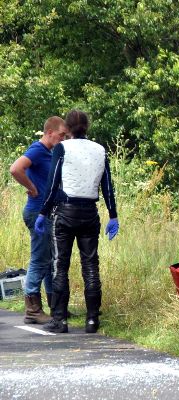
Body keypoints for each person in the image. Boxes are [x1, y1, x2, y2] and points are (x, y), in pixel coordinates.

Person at [37, 110, 119, 334]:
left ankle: (59, 320)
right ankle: (92, 319)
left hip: (65, 212)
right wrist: (113, 215)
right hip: (90, 213)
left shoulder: (63, 148)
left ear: (68, 128)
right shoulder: (100, 150)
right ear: (87, 127)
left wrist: (43, 213)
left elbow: (53, 184)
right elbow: (108, 187)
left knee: (60, 265)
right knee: (91, 266)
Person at [9, 117, 68, 324]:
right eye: (61, 135)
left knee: (49, 260)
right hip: (36, 213)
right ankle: (32, 310)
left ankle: (55, 306)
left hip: (46, 214)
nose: (63, 139)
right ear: (50, 132)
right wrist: (32, 188)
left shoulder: (49, 153)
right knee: (40, 259)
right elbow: (16, 168)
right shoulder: (37, 149)